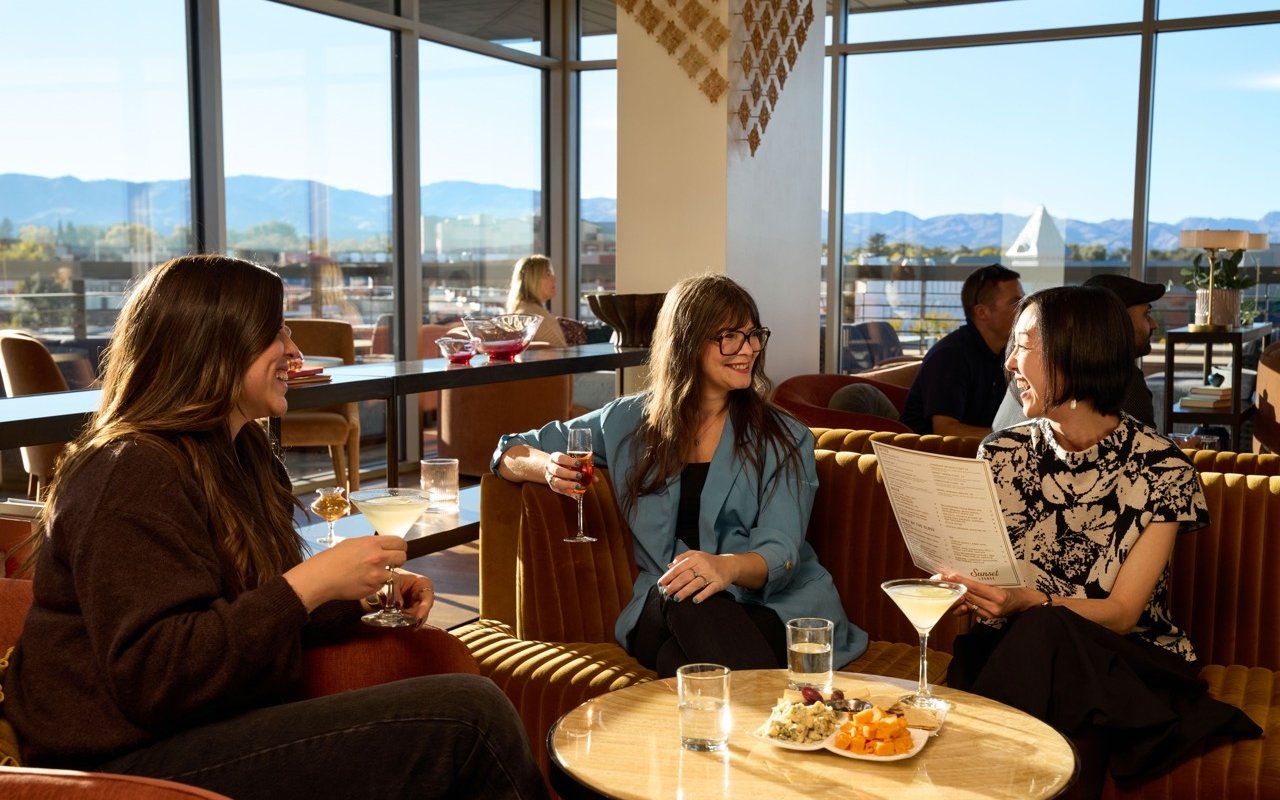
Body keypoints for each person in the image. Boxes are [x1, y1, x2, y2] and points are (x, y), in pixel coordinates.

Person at [5, 255, 547, 800]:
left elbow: (253, 607)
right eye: (275, 334)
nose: (294, 352)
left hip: (206, 724)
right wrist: (311, 584)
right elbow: (156, 677)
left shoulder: (237, 453)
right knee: (469, 718)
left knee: (463, 707)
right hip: (122, 757)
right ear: (213, 344)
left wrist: (354, 594)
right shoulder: (130, 471)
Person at [943, 285, 1260, 797]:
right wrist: (973, 591)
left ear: (1074, 351)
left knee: (1046, 629)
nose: (1009, 363)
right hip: (1021, 657)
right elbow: (995, 577)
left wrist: (1029, 601)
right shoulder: (1000, 453)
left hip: (1127, 659)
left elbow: (1122, 613)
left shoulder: (1161, 467)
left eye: (1023, 346)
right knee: (1047, 662)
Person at [493, 273, 867, 678]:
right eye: (730, 336)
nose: (749, 349)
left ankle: (756, 725)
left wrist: (723, 568)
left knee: (680, 659)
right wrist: (545, 467)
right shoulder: (626, 422)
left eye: (754, 334)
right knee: (684, 590)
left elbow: (781, 549)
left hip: (773, 606)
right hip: (667, 603)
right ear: (687, 343)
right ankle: (794, 720)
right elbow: (508, 449)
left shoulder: (783, 436)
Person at [992, 273, 1163, 430]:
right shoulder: (1123, 381)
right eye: (1146, 314)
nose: (1153, 324)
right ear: (1116, 320)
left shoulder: (1036, 376)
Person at [899, 264, 1023, 436]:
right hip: (926, 457)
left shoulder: (1005, 354)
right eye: (1016, 303)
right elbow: (945, 431)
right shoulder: (951, 357)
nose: (1025, 309)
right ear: (982, 312)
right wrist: (1015, 438)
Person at [506, 254, 567, 347]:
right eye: (548, 274)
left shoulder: (526, 311)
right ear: (533, 281)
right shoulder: (532, 316)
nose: (554, 278)